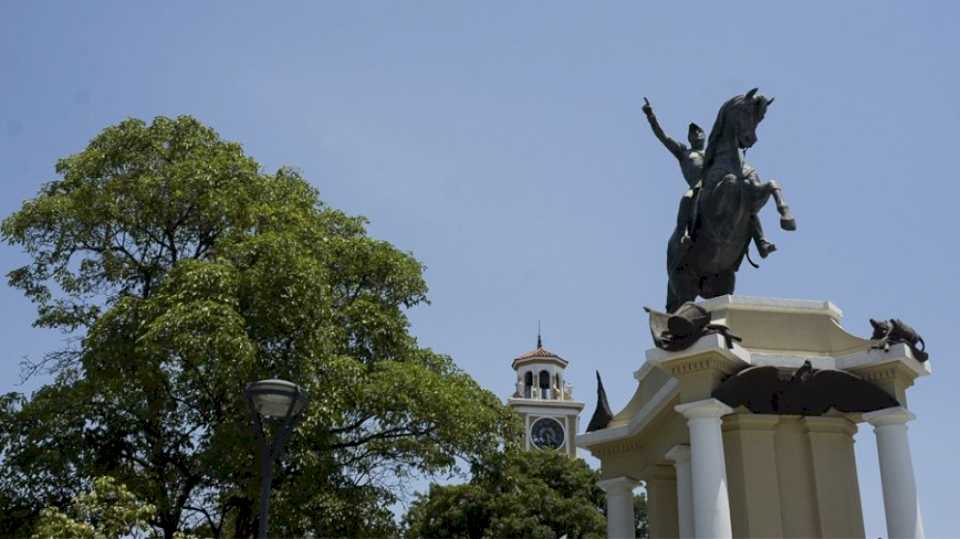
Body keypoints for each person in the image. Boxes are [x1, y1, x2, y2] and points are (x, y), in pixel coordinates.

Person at [642, 98, 776, 258]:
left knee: (744, 197)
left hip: (717, 182)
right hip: (699, 186)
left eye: (699, 131)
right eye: (693, 133)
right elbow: (662, 136)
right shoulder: (683, 153)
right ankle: (684, 234)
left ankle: (761, 242)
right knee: (686, 199)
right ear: (689, 138)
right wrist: (651, 116)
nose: (696, 134)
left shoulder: (714, 153)